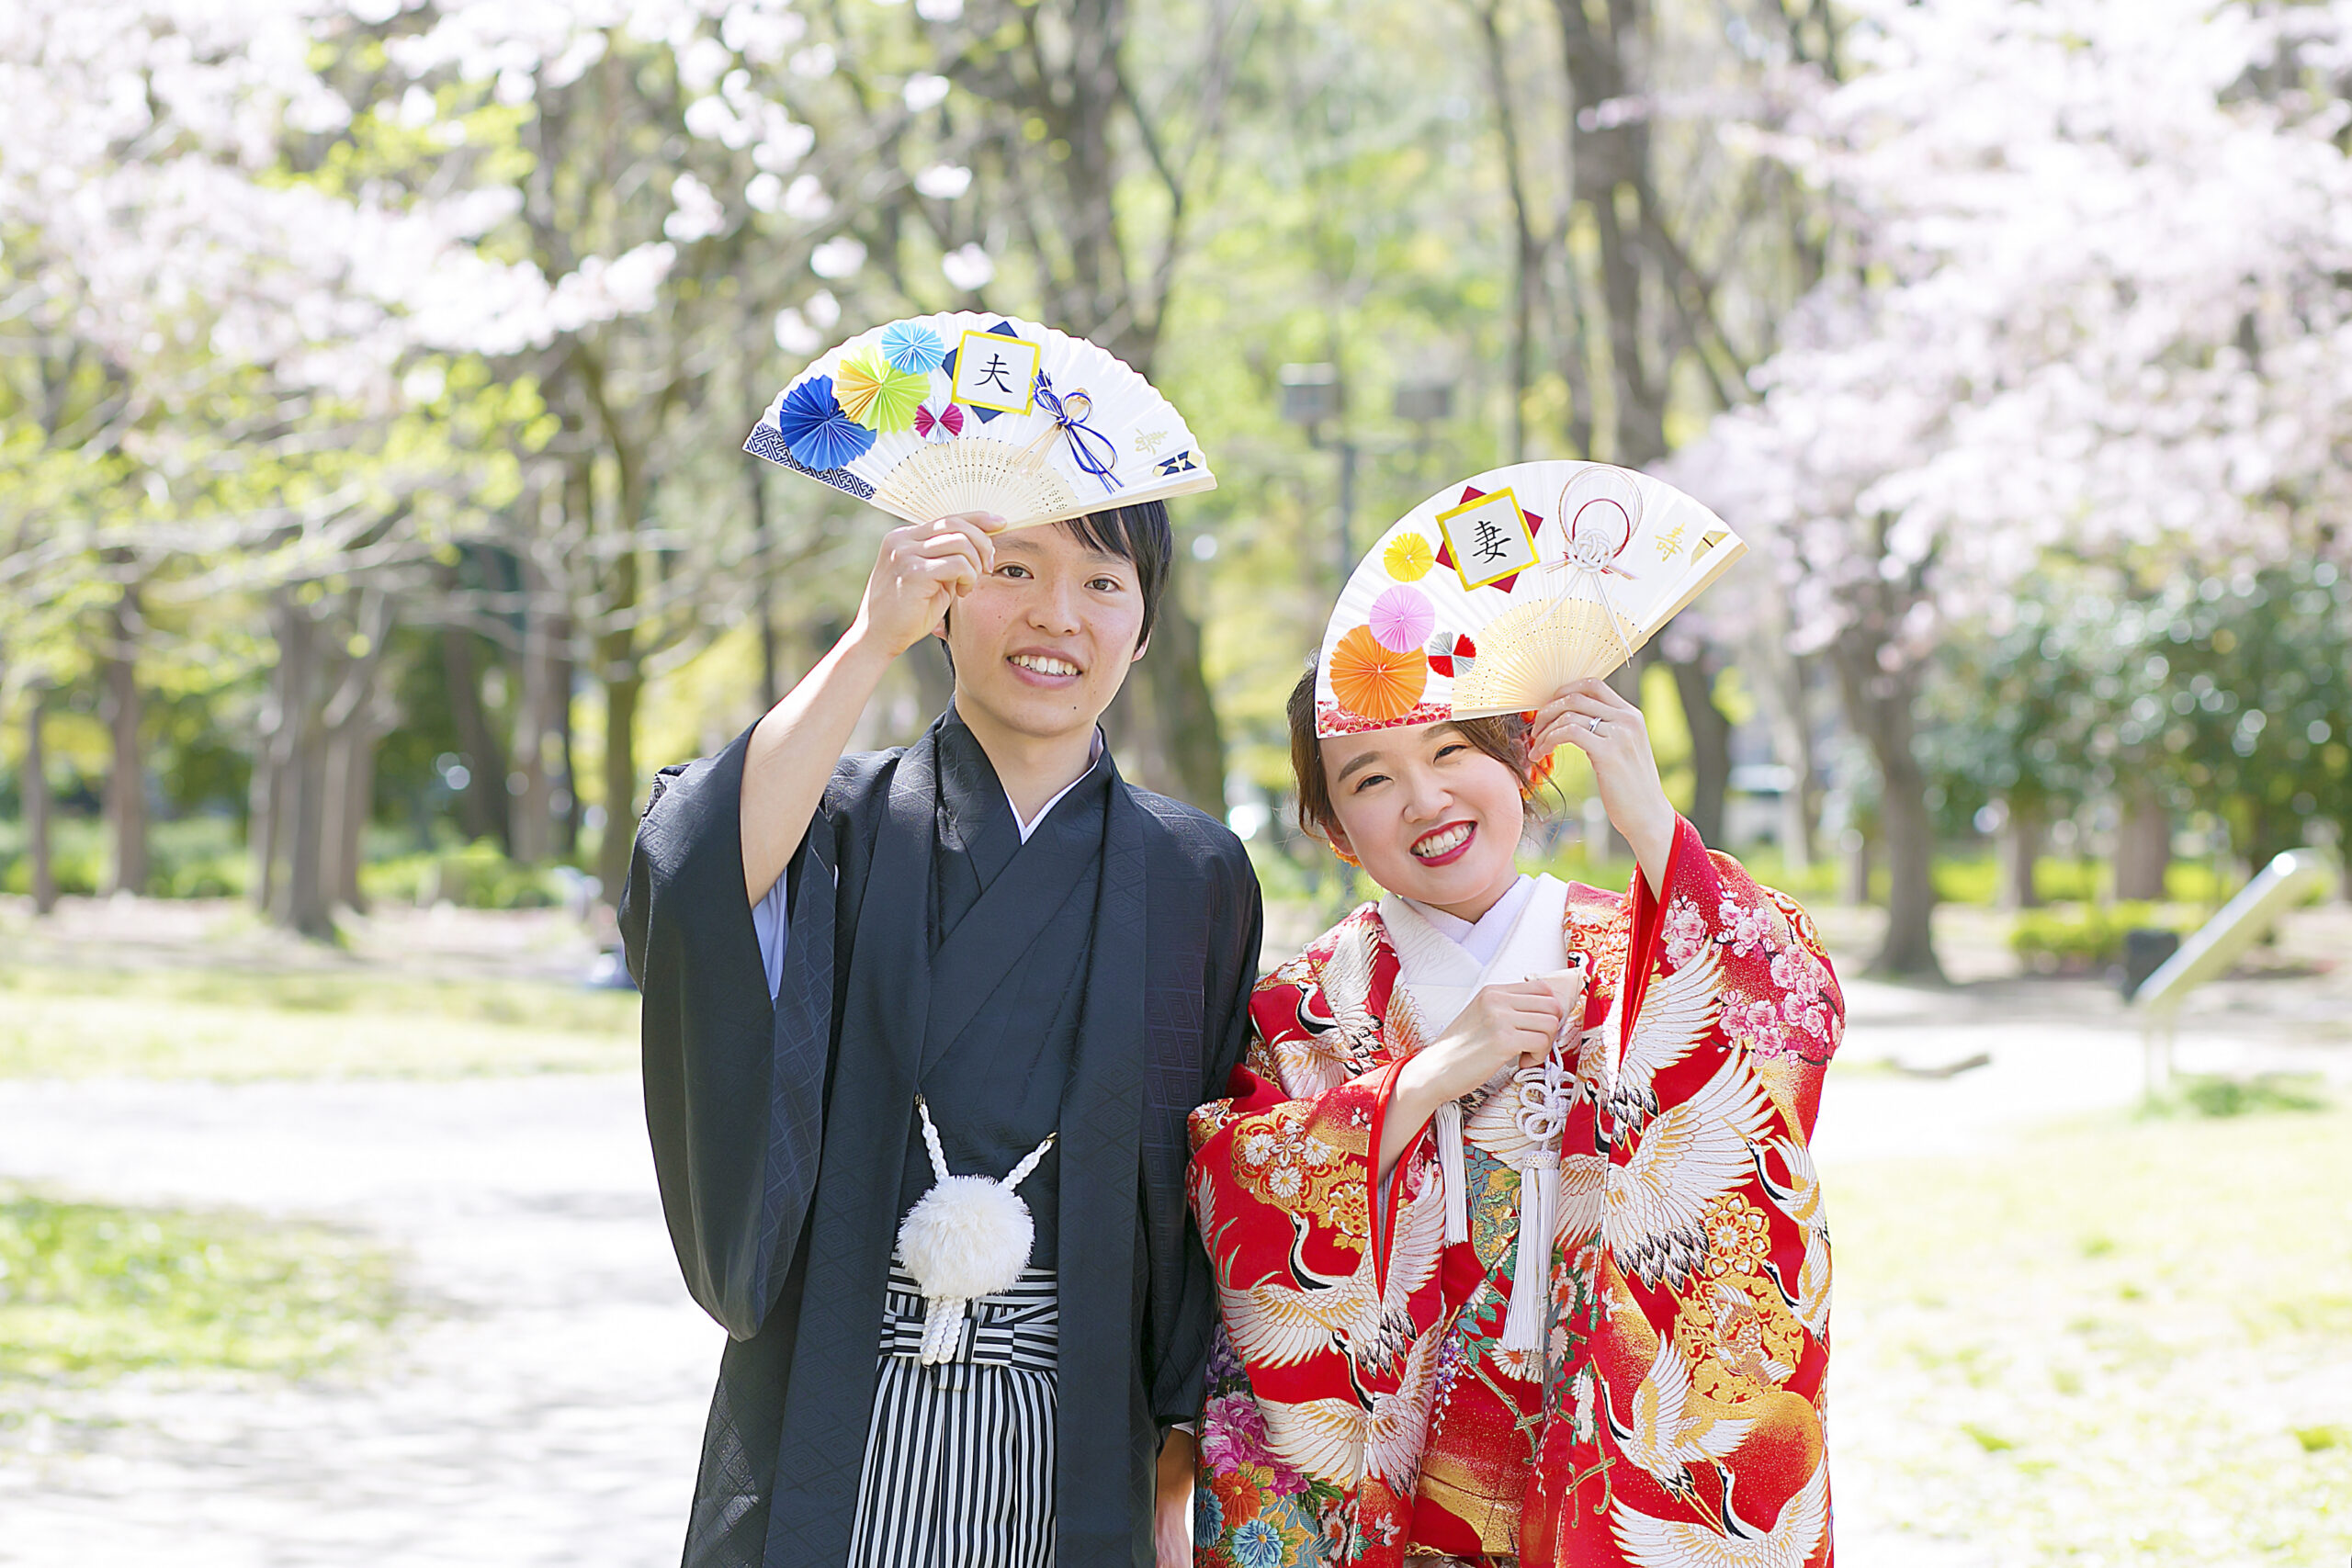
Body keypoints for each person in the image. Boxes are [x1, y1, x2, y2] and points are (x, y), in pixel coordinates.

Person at [621, 503, 1263, 1568]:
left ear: (1144, 628)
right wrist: (870, 637)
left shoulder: (1194, 871)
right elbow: (696, 880)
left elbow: (1210, 1179)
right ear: (946, 601)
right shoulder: (831, 815)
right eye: (1014, 570)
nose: (1055, 614)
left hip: (1076, 1419)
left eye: (1102, 583)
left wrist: (1180, 1450)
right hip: (836, 1392)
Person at [1186, 668, 1841, 1567]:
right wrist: (1422, 1079)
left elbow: (1790, 1016)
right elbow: (1241, 1188)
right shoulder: (1305, 1008)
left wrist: (1652, 824)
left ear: (1525, 761)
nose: (1425, 798)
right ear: (1334, 830)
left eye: (1451, 750)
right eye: (1370, 778)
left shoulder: (1637, 954)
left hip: (1609, 1453)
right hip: (1415, 1487)